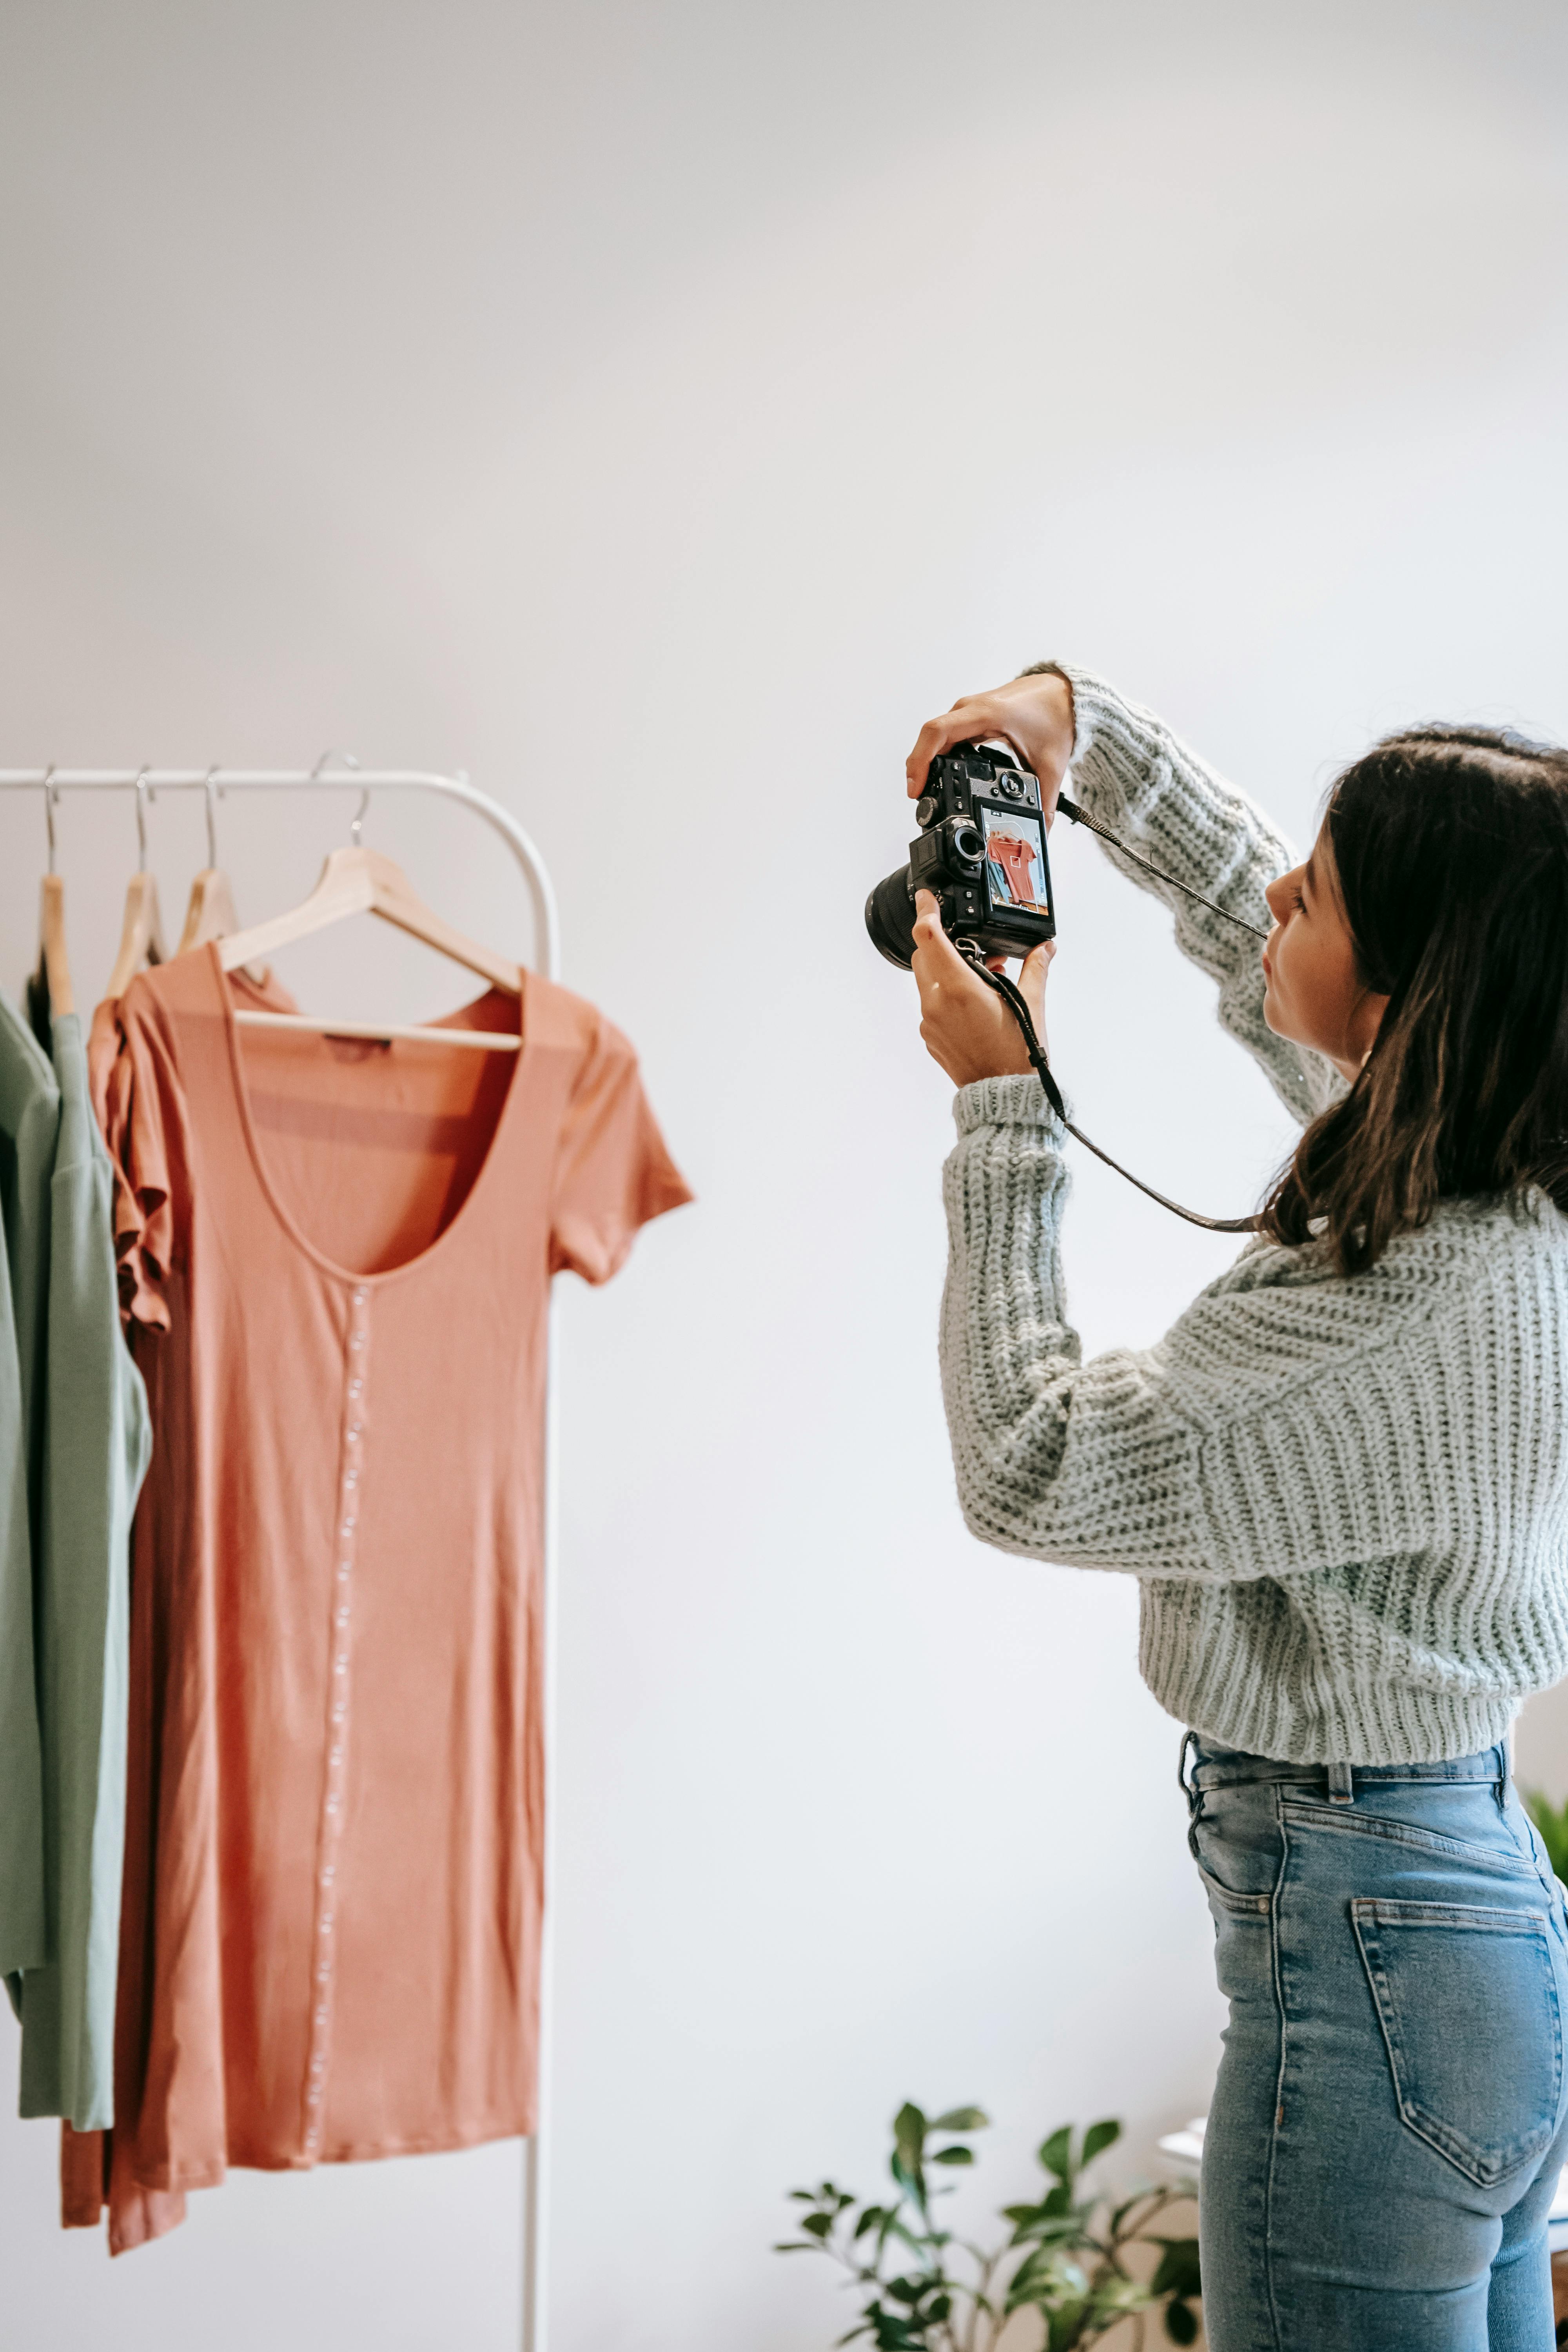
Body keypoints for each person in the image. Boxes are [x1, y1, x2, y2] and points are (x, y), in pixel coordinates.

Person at [905, 660, 1568, 2352]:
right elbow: (1239, 908)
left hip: (1364, 1938)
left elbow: (1033, 1466)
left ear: (1416, 987)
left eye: (1326, 892)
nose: (1282, 889)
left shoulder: (1406, 1316)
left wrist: (1000, 1105)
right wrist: (1082, 735)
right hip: (1455, 1907)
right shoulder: (1489, 1185)